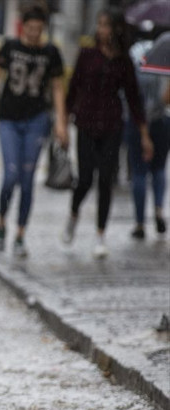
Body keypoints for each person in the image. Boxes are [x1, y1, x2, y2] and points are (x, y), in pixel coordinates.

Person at [0, 1, 67, 259]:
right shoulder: (10, 47)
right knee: (11, 175)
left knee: (27, 181)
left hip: (37, 120)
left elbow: (58, 88)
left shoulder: (51, 53)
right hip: (9, 120)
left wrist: (61, 122)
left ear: (43, 29)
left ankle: (20, 234)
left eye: (38, 29)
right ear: (22, 28)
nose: (34, 34)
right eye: (30, 29)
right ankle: (1, 222)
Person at [62, 8, 153, 258]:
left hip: (112, 125)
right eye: (100, 25)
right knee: (85, 179)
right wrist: (62, 124)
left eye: (107, 25)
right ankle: (73, 213)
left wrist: (144, 134)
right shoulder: (87, 55)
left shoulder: (123, 61)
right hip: (86, 123)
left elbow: (134, 100)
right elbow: (73, 90)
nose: (103, 30)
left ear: (116, 29)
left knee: (105, 181)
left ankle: (100, 235)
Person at [127, 34, 169, 240]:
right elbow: (165, 98)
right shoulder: (165, 54)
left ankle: (140, 223)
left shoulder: (135, 56)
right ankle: (159, 210)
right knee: (159, 168)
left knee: (139, 172)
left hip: (136, 121)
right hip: (161, 120)